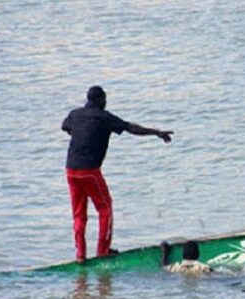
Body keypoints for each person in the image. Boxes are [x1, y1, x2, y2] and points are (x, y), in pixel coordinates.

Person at [62, 86, 173, 263]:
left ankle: (80, 255)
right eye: (104, 99)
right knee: (105, 208)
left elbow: (65, 127)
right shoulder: (104, 117)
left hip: (71, 170)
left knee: (79, 214)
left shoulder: (75, 114)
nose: (106, 103)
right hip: (89, 171)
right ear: (99, 100)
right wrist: (157, 133)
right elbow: (131, 128)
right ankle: (103, 251)